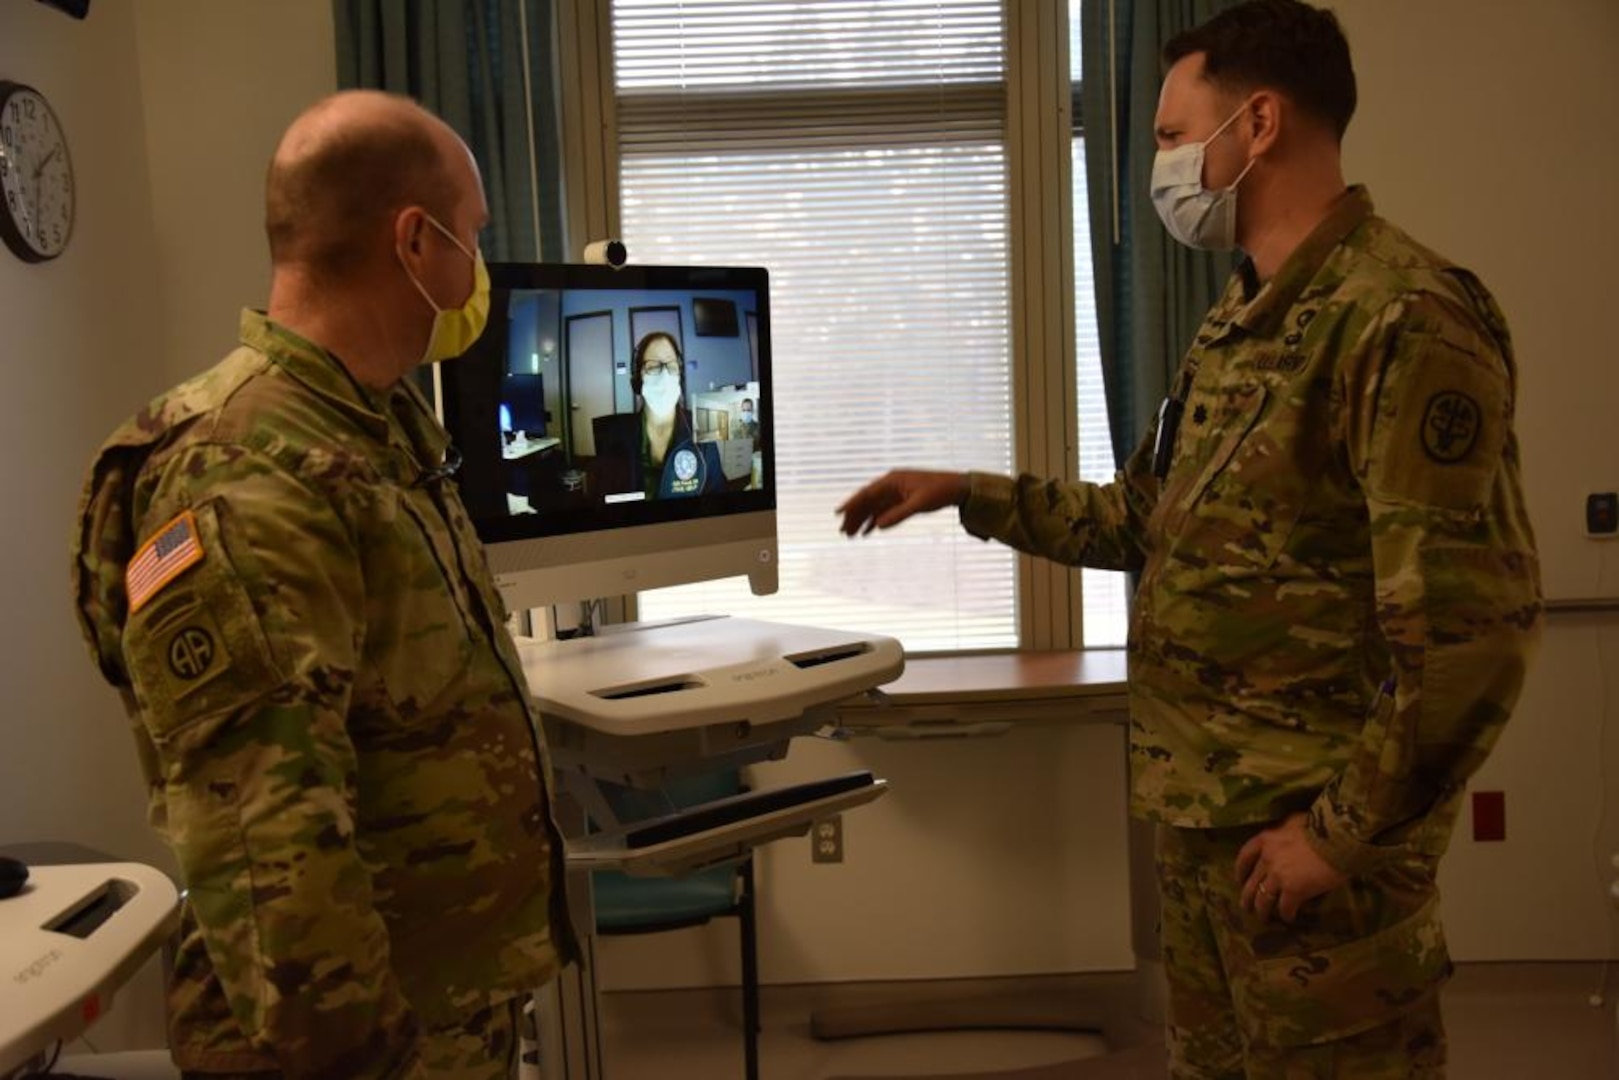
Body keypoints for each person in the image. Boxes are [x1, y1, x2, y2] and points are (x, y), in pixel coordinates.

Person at [836, 2, 1541, 1076]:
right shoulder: (1237, 322)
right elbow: (1143, 521)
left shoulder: (1402, 319)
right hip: (1206, 831)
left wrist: (1337, 836)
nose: (1158, 166)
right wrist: (963, 493)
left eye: (1170, 136)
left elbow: (1469, 638)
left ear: (1256, 125)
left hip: (1312, 852)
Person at [71, 90, 577, 1079]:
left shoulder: (373, 430)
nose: (480, 265)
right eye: (473, 234)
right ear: (415, 241)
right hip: (352, 1044)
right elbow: (266, 836)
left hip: (436, 1010)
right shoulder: (248, 470)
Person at [592, 330, 726, 499]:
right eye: (653, 366)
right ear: (638, 378)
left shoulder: (703, 430)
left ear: (680, 376)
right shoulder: (617, 436)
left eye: (671, 366)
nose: (664, 375)